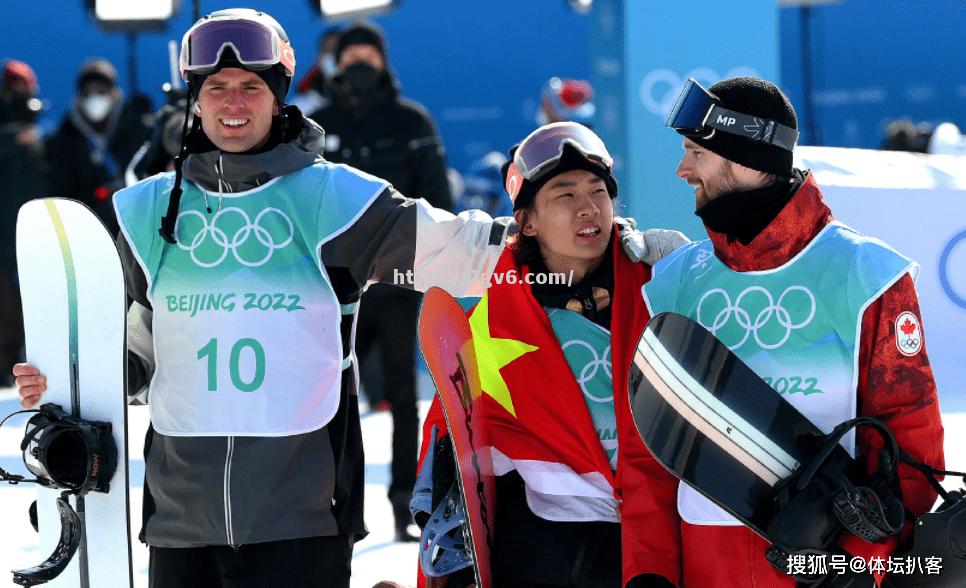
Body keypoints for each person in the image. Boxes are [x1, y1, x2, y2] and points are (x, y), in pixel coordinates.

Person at [12, 8, 684, 587]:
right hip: (180, 521)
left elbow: (467, 251)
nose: (235, 102)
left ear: (279, 95)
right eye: (217, 87)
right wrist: (67, 381)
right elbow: (131, 360)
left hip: (301, 519)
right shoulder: (145, 212)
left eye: (251, 85)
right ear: (196, 97)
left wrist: (598, 240)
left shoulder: (332, 199)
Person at [645, 76, 945, 587]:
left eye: (696, 152)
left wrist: (857, 564)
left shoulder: (866, 275)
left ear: (747, 158)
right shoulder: (672, 284)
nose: (682, 169)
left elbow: (911, 442)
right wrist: (648, 570)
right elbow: (646, 448)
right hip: (702, 563)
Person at [414, 122, 687, 588]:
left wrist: (694, 277)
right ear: (527, 221)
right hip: (543, 545)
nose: (588, 208)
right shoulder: (499, 311)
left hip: (654, 536)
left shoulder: (657, 286)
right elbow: (459, 432)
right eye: (564, 195)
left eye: (598, 191)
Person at [310, 19, 454, 542]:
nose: (360, 67)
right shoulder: (315, 124)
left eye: (369, 58)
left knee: (400, 397)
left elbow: (436, 200)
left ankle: (404, 506)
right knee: (328, 399)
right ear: (336, 63)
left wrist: (427, 264)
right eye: (351, 59)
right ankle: (332, 507)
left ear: (384, 61)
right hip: (328, 289)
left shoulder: (410, 119)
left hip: (395, 286)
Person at [45, 58, 153, 235]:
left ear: (115, 93)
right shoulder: (64, 139)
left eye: (101, 91)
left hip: (136, 229)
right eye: (88, 93)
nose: (95, 98)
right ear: (79, 97)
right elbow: (61, 195)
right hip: (85, 232)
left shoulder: (138, 129)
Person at [0, 59, 49, 385]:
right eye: (13, 88)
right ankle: (6, 364)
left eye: (25, 88)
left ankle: (30, 363)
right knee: (5, 305)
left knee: (34, 301)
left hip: (36, 233)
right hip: (4, 235)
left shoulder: (41, 137)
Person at [290, 26, 341, 116]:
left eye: (337, 50)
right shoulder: (301, 110)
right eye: (327, 50)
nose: (333, 56)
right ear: (319, 59)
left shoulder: (367, 104)